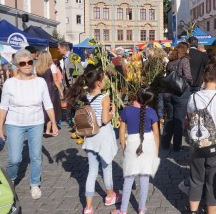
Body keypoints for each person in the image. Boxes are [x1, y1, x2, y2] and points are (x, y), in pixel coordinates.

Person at [0, 49, 57, 200]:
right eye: (23, 63)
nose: (27, 65)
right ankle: (11, 179)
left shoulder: (40, 82)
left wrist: (53, 123)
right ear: (17, 65)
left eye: (29, 62)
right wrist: (0, 129)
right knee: (15, 159)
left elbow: (48, 104)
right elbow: (3, 107)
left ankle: (35, 184)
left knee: (35, 156)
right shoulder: (10, 83)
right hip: (14, 123)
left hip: (36, 122)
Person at [66, 69, 119, 214]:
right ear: (98, 82)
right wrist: (112, 111)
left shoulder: (85, 96)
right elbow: (104, 119)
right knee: (107, 168)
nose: (106, 81)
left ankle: (88, 207)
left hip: (90, 136)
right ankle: (110, 196)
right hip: (103, 135)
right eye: (104, 79)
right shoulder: (104, 97)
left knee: (92, 171)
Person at [187, 62, 216, 214]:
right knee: (214, 182)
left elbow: (189, 118)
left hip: (197, 143)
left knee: (196, 179)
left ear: (204, 77)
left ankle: (193, 211)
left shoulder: (193, 97)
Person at [112, 87, 160, 214]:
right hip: (148, 145)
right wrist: (156, 151)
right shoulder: (152, 112)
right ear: (149, 100)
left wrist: (123, 146)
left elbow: (121, 131)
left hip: (131, 145)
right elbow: (156, 134)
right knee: (144, 179)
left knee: (128, 179)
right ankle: (141, 208)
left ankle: (123, 210)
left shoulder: (127, 111)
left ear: (137, 96)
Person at [162, 42, 193, 151]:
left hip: (168, 93)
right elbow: (188, 76)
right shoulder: (184, 60)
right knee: (179, 120)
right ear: (185, 50)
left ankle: (165, 143)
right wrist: (191, 81)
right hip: (180, 94)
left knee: (169, 118)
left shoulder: (170, 61)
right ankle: (176, 146)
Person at [36, 51, 63, 136]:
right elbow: (55, 80)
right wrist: (60, 90)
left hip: (39, 88)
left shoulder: (36, 67)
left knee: (42, 108)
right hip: (50, 88)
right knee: (50, 107)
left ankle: (41, 128)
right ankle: (48, 129)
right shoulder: (52, 66)